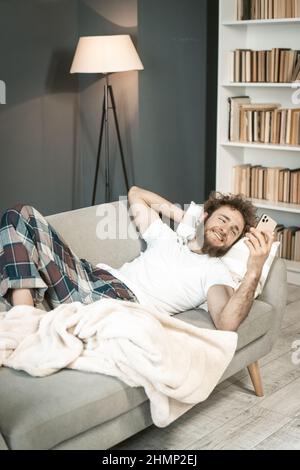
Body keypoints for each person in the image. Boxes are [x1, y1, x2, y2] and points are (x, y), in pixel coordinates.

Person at [0, 186, 274, 331]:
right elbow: (135, 193)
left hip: (120, 301)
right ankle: (27, 315)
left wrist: (253, 270)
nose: (225, 229)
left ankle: (23, 319)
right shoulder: (167, 237)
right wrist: (186, 218)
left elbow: (227, 323)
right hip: (92, 275)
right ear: (205, 216)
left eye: (233, 231)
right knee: (20, 214)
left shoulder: (215, 272)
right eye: (222, 220)